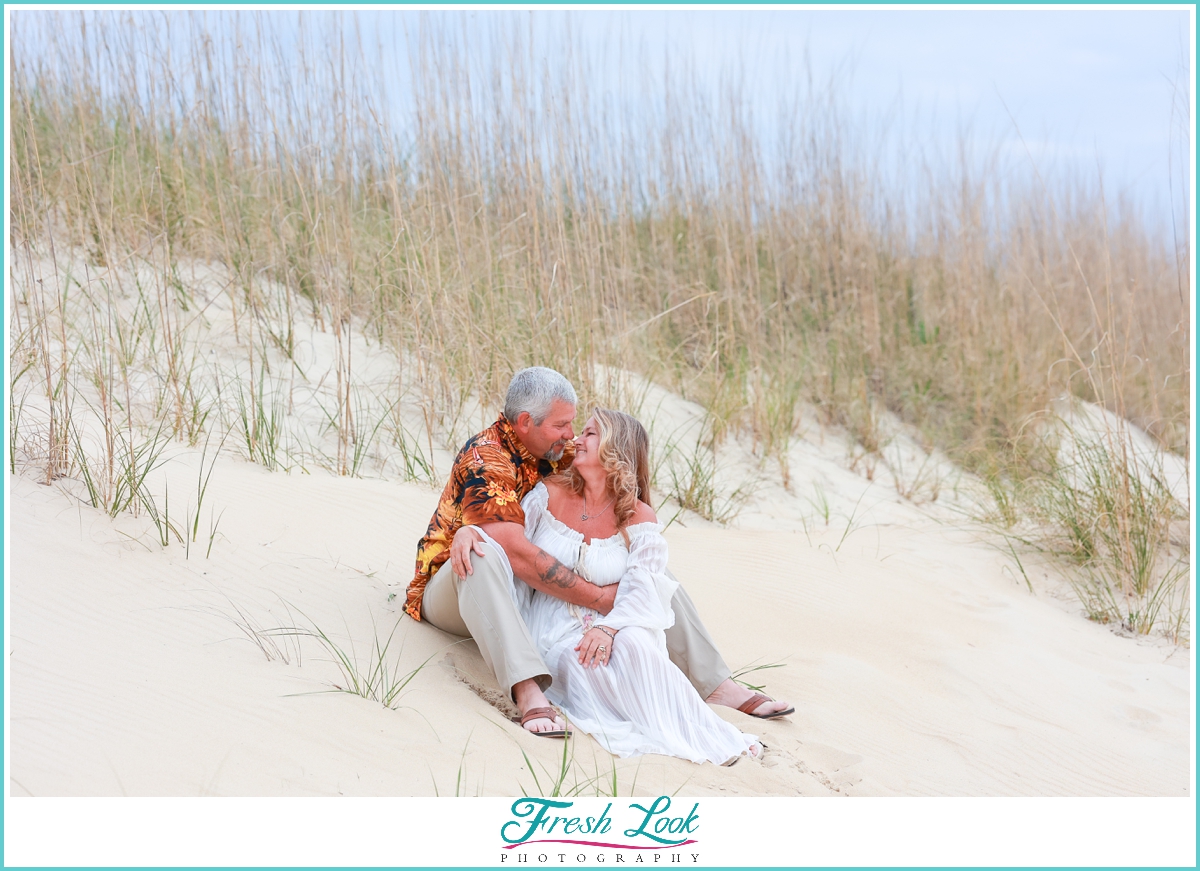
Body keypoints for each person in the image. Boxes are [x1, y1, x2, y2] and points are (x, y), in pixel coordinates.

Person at [405, 367, 792, 736]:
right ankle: (527, 690)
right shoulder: (486, 457)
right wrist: (603, 600)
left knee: (653, 574)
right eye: (561, 425)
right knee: (482, 555)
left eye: (574, 425)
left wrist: (631, 580)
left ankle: (715, 684)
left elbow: (606, 479)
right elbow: (515, 552)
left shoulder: (555, 448)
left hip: (517, 593)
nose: (571, 436)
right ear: (525, 422)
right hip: (456, 590)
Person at [504, 409, 760, 764]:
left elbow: (643, 588)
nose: (577, 439)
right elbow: (513, 554)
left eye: (590, 434)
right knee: (582, 663)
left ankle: (708, 735)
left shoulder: (638, 516)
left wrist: (608, 629)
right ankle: (657, 730)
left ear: (616, 449)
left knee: (638, 645)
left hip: (615, 622)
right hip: (552, 625)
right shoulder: (547, 495)